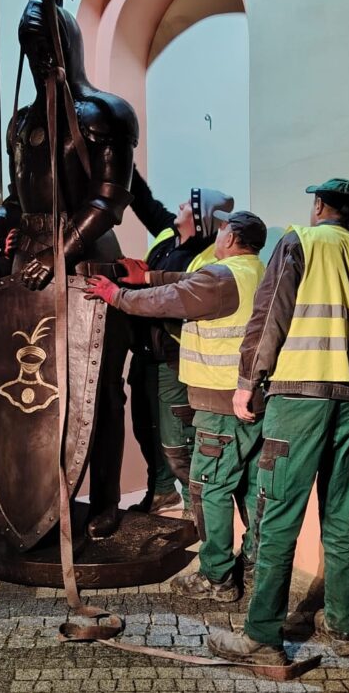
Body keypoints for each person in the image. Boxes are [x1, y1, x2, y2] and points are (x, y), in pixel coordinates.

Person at [0, 0, 138, 540]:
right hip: (28, 264)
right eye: (28, 49)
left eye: (45, 48)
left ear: (65, 47)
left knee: (101, 388)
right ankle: (30, 498)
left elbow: (108, 200)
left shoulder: (105, 114)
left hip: (87, 261)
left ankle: (105, 500)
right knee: (27, 390)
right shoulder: (20, 124)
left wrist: (60, 251)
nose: (37, 61)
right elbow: (21, 202)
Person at [207, 179, 349, 665]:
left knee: (277, 519)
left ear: (319, 206)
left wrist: (247, 380)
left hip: (298, 400)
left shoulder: (299, 242)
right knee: (342, 519)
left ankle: (263, 637)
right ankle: (343, 629)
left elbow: (270, 313)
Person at [86, 211, 268, 601]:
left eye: (222, 231)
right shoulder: (258, 272)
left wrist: (116, 295)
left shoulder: (220, 276)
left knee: (211, 487)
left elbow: (171, 299)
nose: (217, 236)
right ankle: (253, 567)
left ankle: (217, 577)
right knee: (252, 488)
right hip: (255, 401)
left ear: (233, 238)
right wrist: (148, 276)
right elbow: (186, 281)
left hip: (221, 403)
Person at [126, 179, 235, 514]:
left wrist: (126, 294)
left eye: (188, 205)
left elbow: (168, 302)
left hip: (173, 360)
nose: (180, 207)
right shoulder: (166, 237)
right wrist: (123, 160)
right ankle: (161, 491)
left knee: (176, 438)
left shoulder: (203, 260)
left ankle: (194, 507)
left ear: (200, 218)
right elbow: (143, 200)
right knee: (145, 429)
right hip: (145, 353)